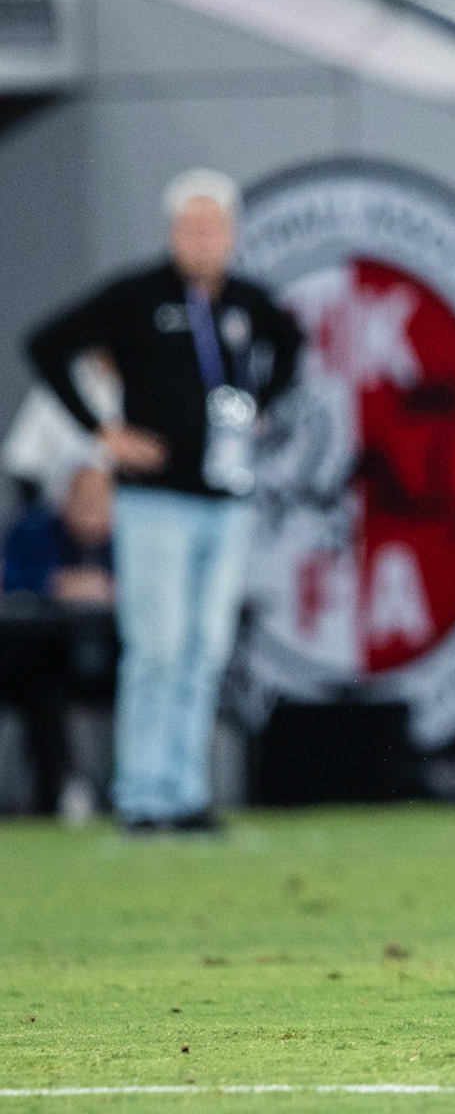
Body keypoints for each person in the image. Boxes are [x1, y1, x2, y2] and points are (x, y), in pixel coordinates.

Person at [28, 169, 304, 835]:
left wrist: (263, 408)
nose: (203, 239)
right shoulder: (137, 296)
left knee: (205, 650)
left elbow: (293, 346)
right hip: (155, 501)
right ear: (173, 232)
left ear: (232, 234)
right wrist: (103, 433)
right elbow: (46, 344)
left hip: (226, 497)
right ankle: (143, 794)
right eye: (191, 227)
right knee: (157, 646)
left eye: (214, 228)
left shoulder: (247, 302)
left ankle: (184, 791)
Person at [1, 463, 115, 821]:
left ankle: (126, 791)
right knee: (46, 689)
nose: (92, 508)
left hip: (112, 665)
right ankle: (54, 796)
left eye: (102, 499)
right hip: (41, 666)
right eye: (84, 498)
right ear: (66, 499)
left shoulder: (130, 542)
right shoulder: (36, 531)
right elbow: (12, 577)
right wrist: (55, 582)